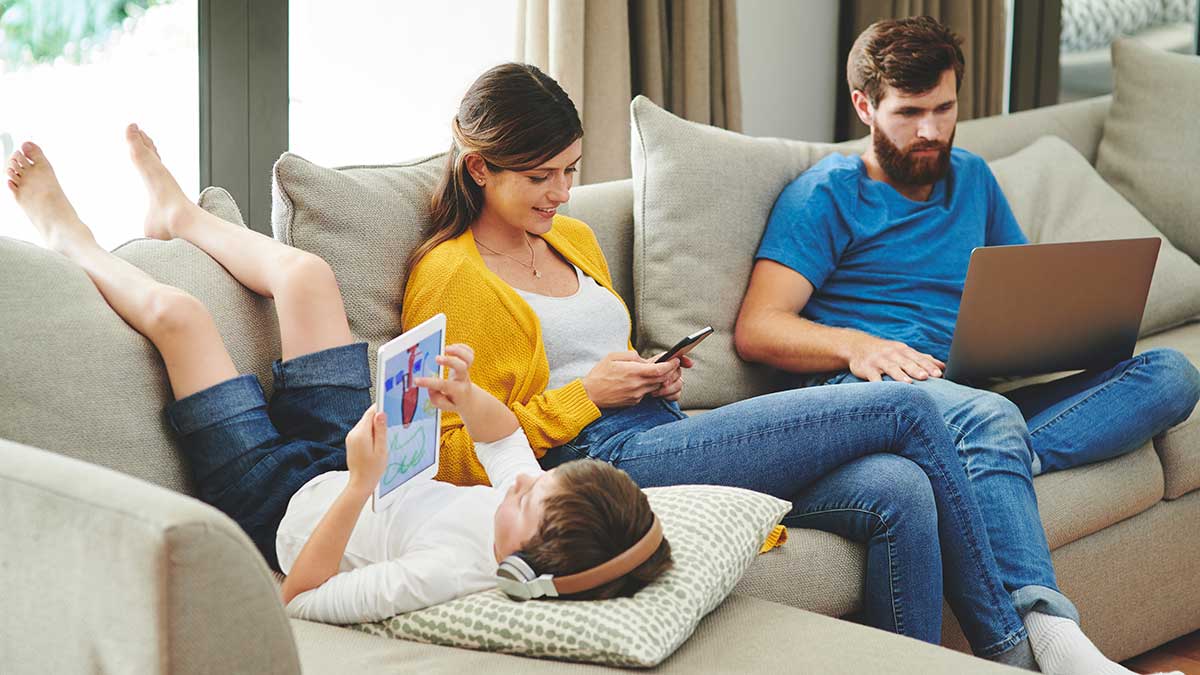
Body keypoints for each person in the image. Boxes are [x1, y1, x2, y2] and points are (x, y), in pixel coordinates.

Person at [402, 62, 1038, 667]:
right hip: (589, 472)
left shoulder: (571, 239)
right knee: (905, 406)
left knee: (899, 488)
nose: (563, 194)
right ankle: (1014, 648)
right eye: (542, 177)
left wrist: (648, 375)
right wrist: (588, 397)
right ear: (480, 168)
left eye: (569, 171)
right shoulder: (449, 277)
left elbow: (598, 360)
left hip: (661, 432)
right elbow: (442, 457)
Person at [5, 129, 669, 625]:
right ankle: (181, 218)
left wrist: (356, 487)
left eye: (524, 501)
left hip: (275, 501)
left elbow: (298, 598)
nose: (522, 481)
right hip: (352, 456)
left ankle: (71, 240)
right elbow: (503, 446)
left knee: (181, 316)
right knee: (308, 277)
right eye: (538, 481)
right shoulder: (527, 495)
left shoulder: (441, 572)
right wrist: (466, 395)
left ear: (520, 570)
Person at [734, 16, 1197, 675]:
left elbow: (1021, 287)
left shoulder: (971, 178)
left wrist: (1059, 328)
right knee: (990, 419)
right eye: (910, 111)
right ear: (865, 106)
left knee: (1170, 374)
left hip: (976, 392)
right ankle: (1052, 641)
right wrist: (856, 346)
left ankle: (982, 462)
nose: (930, 130)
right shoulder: (827, 195)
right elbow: (759, 325)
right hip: (875, 396)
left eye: (944, 108)